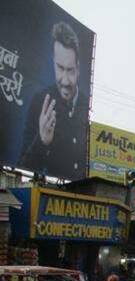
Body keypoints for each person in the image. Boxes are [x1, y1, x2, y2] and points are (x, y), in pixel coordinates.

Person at [20, 22, 89, 180]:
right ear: (53, 63)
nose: (64, 80)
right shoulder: (40, 102)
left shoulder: (86, 105)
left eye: (70, 70)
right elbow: (22, 165)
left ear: (78, 69)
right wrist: (42, 141)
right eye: (60, 68)